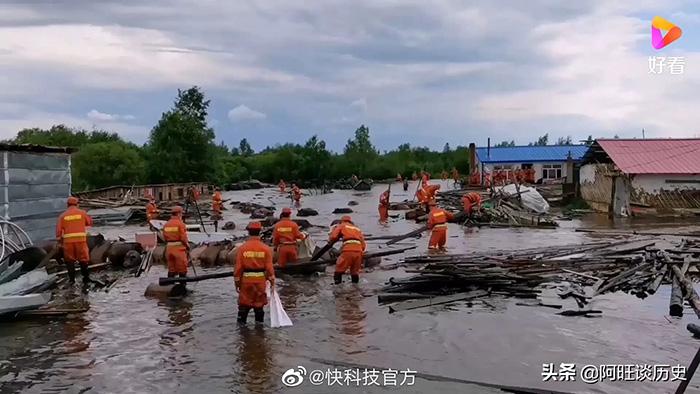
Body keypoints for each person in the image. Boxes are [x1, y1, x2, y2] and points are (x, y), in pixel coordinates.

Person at [234, 221, 275, 324]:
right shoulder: (266, 249)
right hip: (260, 282)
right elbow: (269, 269)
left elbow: (238, 269)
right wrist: (272, 282)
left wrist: (237, 284)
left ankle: (242, 332)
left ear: (248, 232)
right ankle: (259, 331)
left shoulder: (242, 249)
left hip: (246, 282)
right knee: (259, 305)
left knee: (244, 305)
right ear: (260, 231)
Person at [56, 197, 94, 284]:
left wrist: (59, 241)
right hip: (81, 241)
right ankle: (86, 278)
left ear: (67, 205)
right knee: (83, 259)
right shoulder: (82, 213)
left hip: (68, 243)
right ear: (77, 204)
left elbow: (58, 232)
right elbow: (90, 223)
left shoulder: (63, 216)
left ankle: (72, 280)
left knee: (70, 260)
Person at [328, 216, 366, 284]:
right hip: (358, 250)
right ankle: (356, 288)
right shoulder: (356, 229)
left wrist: (330, 242)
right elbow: (363, 245)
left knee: (339, 269)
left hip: (348, 249)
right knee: (355, 272)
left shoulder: (342, 226)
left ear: (341, 221)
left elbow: (333, 236)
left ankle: (337, 287)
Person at [163, 206, 190, 281]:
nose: (182, 215)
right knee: (182, 268)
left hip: (169, 249)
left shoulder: (166, 224)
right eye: (181, 213)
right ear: (178, 213)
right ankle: (182, 286)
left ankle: (169, 286)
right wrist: (187, 246)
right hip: (179, 250)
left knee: (171, 269)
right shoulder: (181, 224)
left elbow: (164, 237)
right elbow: (183, 238)